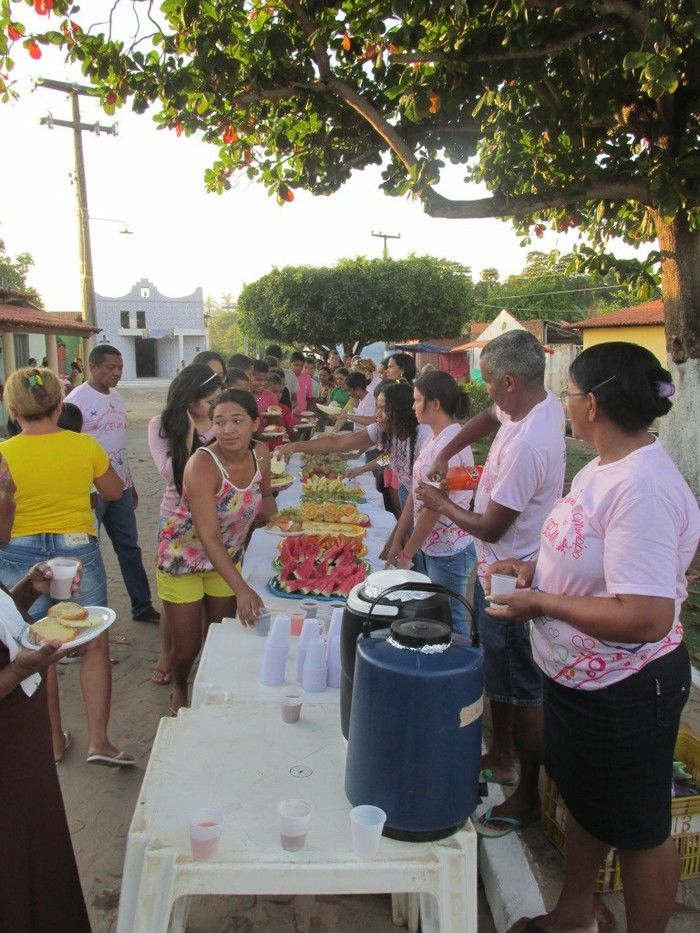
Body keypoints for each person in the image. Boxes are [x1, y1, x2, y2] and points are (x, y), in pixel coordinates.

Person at [487, 343, 699, 933]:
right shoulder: (600, 466)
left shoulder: (643, 489)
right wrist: (535, 570)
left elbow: (647, 615)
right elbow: (586, 549)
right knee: (583, 796)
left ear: (595, 403)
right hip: (579, 676)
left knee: (638, 828)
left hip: (628, 686)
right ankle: (576, 911)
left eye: (571, 394)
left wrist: (539, 602)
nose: (567, 404)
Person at [419, 330, 566, 833]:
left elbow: (491, 527)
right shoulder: (532, 404)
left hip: (514, 573)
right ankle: (500, 753)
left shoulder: (530, 446)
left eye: (488, 384)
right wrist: (446, 449)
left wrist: (441, 504)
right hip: (495, 567)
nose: (485, 395)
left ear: (510, 380)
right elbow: (486, 418)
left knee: (524, 687)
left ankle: (526, 789)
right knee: (500, 672)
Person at [0, 367, 132, 767]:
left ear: (12, 409)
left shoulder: (4, 452)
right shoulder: (83, 445)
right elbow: (113, 490)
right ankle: (99, 742)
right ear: (61, 405)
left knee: (35, 642)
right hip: (76, 550)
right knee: (92, 641)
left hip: (17, 552)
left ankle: (55, 741)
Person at [0, 470, 92, 931]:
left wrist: (26, 592)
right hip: (7, 748)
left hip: (23, 733)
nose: (13, 502)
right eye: (5, 492)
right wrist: (17, 671)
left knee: (38, 848)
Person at [156, 389, 276, 712]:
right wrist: (242, 589)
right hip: (182, 558)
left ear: (255, 423)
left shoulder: (262, 454)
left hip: (226, 559)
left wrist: (288, 531)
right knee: (186, 647)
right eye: (220, 422)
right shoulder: (202, 465)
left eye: (237, 421)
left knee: (219, 637)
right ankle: (180, 683)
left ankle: (208, 688)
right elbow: (208, 535)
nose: (228, 430)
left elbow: (265, 499)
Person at [66, 345, 160, 623]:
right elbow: (70, 448)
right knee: (86, 552)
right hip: (91, 491)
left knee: (129, 547)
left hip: (121, 486)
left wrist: (130, 483)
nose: (117, 373)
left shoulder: (117, 398)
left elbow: (118, 443)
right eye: (111, 367)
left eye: (120, 368)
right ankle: (85, 613)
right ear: (93, 367)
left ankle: (142, 606)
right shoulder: (76, 401)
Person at [147, 364, 223, 686]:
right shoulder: (160, 426)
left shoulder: (222, 424)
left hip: (218, 518)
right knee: (176, 598)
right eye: (209, 400)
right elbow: (171, 476)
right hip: (176, 521)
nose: (215, 405)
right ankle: (170, 654)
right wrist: (190, 435)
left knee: (213, 600)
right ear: (190, 400)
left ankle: (205, 663)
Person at [386, 371, 477, 634]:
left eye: (417, 400)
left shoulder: (449, 446)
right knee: (440, 617)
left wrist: (407, 554)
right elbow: (417, 493)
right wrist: (398, 536)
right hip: (433, 546)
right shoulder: (435, 439)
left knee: (452, 621)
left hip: (450, 550)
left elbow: (431, 510)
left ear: (434, 404)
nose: (413, 406)